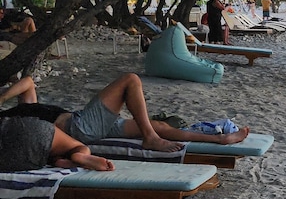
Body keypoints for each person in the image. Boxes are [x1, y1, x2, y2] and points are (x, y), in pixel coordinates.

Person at [0, 74, 250, 152]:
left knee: (158, 126)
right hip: (78, 128)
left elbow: (28, 82)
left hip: (86, 126)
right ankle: (150, 139)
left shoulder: (22, 108)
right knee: (130, 80)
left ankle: (219, 139)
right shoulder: (7, 122)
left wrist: (1, 99)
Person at [1, 116, 115, 172]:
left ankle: (73, 157)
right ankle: (81, 156)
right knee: (79, 146)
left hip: (12, 146)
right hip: (33, 134)